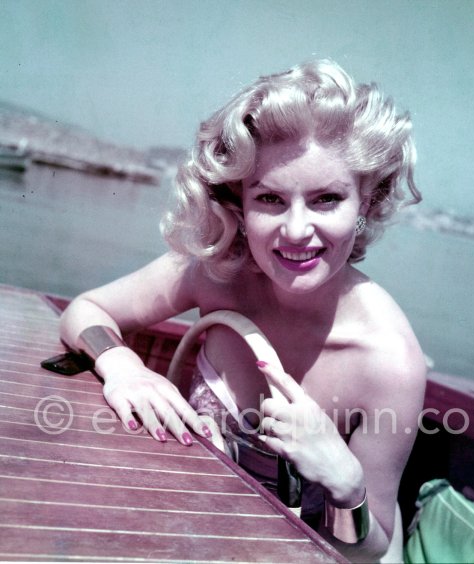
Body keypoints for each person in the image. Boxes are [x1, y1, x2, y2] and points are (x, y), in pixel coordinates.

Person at [60, 59, 426, 562]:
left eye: (326, 200)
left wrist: (347, 486)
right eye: (271, 199)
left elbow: (368, 550)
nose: (296, 231)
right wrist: (122, 367)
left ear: (367, 202)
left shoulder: (389, 362)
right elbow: (87, 308)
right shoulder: (216, 273)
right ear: (238, 205)